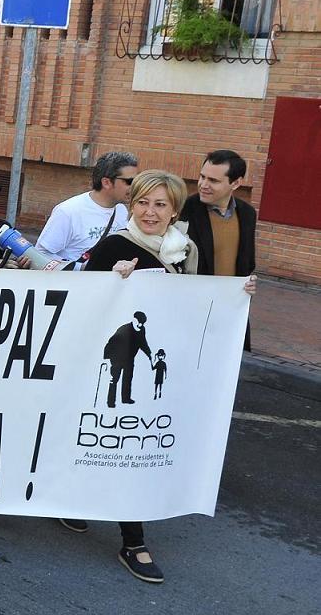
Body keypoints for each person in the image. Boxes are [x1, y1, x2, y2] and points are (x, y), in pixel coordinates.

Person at [68, 169, 256, 582]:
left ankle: (83, 510)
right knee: (111, 441)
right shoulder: (115, 246)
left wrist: (236, 296)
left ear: (174, 211)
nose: (150, 212)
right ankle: (131, 539)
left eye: (160, 205)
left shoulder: (184, 250)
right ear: (130, 205)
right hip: (113, 364)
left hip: (157, 369)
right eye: (142, 203)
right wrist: (110, 280)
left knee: (131, 447)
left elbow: (195, 302)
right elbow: (80, 302)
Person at [35, 151, 139, 270]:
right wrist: (83, 268)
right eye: (130, 182)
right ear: (106, 182)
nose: (135, 186)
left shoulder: (122, 210)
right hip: (73, 285)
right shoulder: (68, 211)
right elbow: (40, 256)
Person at [180, 149, 257, 287]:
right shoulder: (184, 209)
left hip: (230, 299)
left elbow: (248, 262)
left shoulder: (247, 214)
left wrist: (247, 285)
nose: (203, 185)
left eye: (213, 181)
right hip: (191, 296)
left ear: (236, 183)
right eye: (202, 177)